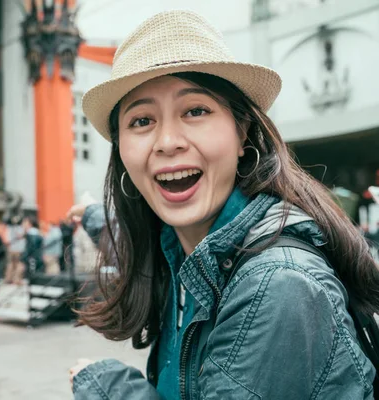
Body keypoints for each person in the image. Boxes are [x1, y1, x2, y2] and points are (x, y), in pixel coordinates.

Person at [67, 10, 379, 399]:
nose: (167, 141)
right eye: (141, 121)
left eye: (196, 110)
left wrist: (105, 384)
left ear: (242, 130)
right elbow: (136, 250)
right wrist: (94, 216)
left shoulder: (276, 285)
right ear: (122, 152)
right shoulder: (178, 246)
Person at [5, 216, 26, 285]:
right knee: (19, 264)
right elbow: (21, 237)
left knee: (11, 264)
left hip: (11, 248)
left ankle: (9, 278)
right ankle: (17, 280)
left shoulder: (9, 228)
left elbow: (7, 239)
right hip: (19, 249)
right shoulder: (21, 229)